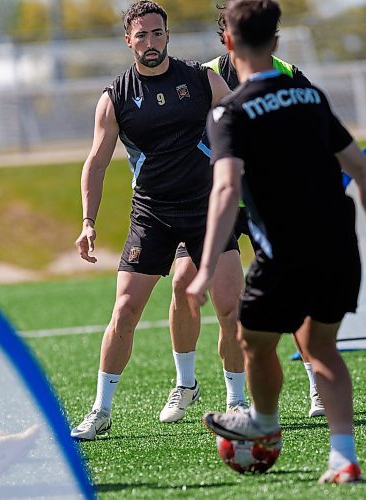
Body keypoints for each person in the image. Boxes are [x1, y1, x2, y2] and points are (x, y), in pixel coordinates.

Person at [186, 0, 366, 484]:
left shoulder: (229, 111)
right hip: (339, 245)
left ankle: (263, 423)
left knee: (252, 341)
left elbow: (224, 188)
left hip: (286, 252)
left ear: (228, 43)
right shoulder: (311, 97)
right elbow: (364, 172)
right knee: (321, 347)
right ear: (277, 43)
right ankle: (342, 457)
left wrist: (203, 270)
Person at [71, 0, 240, 440]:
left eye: (157, 33)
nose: (151, 42)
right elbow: (96, 163)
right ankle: (101, 410)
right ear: (128, 40)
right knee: (124, 310)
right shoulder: (115, 98)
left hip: (207, 212)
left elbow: (242, 120)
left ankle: (236, 402)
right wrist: (88, 222)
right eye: (141, 35)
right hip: (153, 215)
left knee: (228, 308)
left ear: (168, 35)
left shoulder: (201, 79)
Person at [163, 2, 324, 422]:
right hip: (214, 202)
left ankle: (315, 385)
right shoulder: (205, 76)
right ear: (226, 34)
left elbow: (316, 136)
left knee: (290, 291)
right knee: (185, 282)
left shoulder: (289, 76)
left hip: (271, 203)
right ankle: (189, 385)